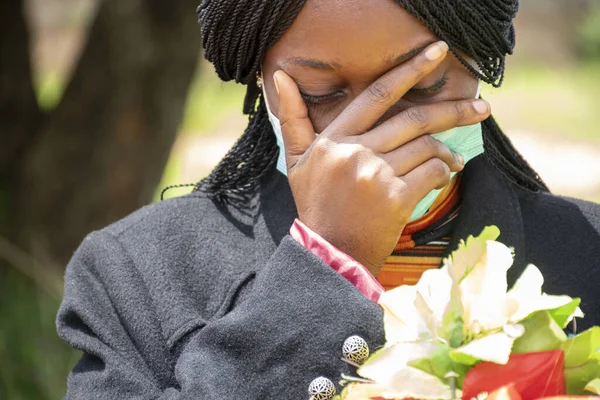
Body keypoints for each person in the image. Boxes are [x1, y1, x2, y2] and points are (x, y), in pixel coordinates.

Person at [57, 0, 600, 399]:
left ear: (478, 60)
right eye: (321, 95)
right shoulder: (132, 274)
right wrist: (329, 261)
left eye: (422, 87)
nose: (373, 137)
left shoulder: (589, 254)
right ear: (261, 81)